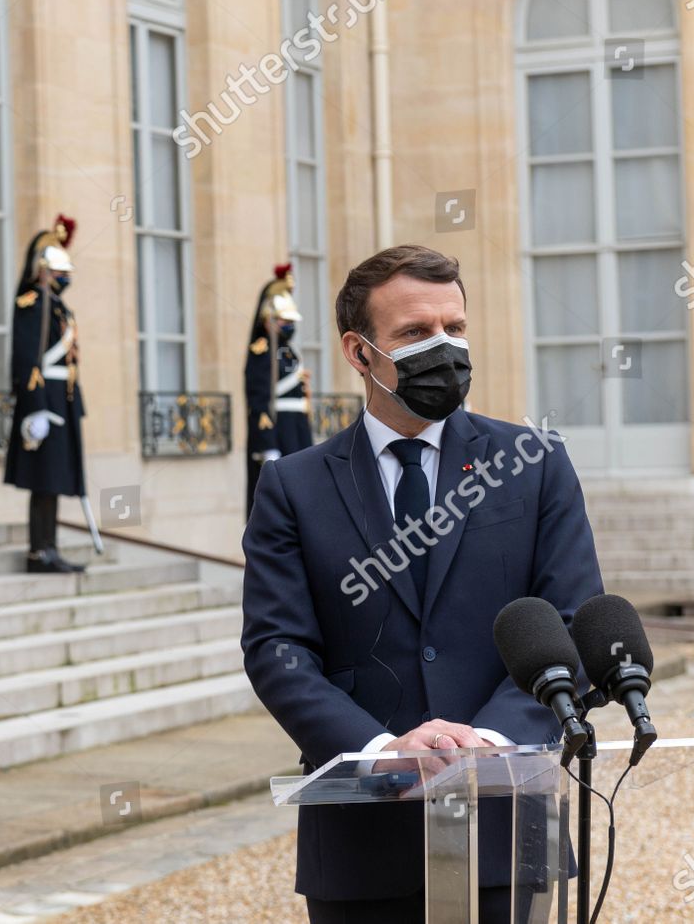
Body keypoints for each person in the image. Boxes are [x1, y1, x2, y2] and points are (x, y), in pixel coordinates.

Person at [240, 244, 603, 923]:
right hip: (360, 845)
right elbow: (276, 647)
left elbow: (572, 621)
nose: (444, 348)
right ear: (359, 353)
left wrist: (486, 745)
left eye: (454, 329)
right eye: (415, 333)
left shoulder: (534, 465)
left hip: (506, 827)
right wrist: (384, 751)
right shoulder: (293, 487)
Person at [3, 214, 87, 573]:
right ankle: (38, 551)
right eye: (57, 270)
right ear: (42, 269)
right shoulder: (31, 303)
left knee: (55, 479)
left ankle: (50, 545)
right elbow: (27, 357)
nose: (63, 277)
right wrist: (34, 407)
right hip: (43, 399)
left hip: (61, 398)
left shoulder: (57, 307)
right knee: (43, 479)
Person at [245, 263, 313, 517]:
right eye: (283, 319)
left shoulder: (287, 350)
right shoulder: (262, 350)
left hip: (296, 427)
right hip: (280, 429)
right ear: (270, 319)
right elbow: (259, 400)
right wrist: (267, 445)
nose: (288, 324)